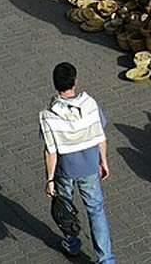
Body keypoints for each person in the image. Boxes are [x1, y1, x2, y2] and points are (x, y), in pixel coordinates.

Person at [38, 62, 115, 263]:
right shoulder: (90, 104)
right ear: (75, 81)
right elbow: (101, 137)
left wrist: (50, 179)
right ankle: (106, 259)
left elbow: (51, 151)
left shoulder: (47, 115)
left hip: (64, 170)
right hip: (89, 167)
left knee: (66, 209)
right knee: (96, 210)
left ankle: (72, 244)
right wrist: (103, 161)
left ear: (55, 84)